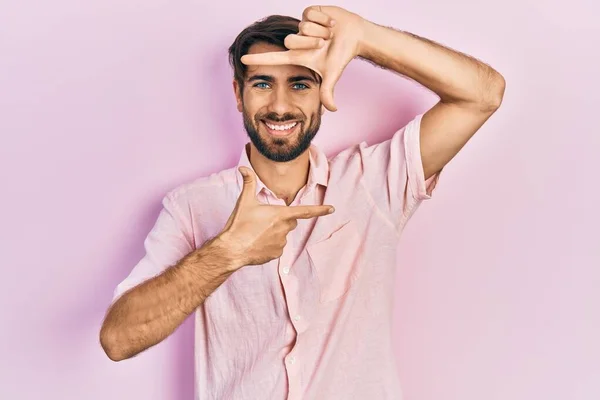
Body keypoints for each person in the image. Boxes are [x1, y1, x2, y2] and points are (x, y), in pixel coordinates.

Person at [100, 5, 505, 399]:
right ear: (238, 94)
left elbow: (482, 95)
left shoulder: (374, 181)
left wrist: (365, 39)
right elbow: (118, 340)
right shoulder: (191, 206)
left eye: (299, 83)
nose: (279, 105)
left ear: (323, 88)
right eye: (262, 83)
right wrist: (226, 253)